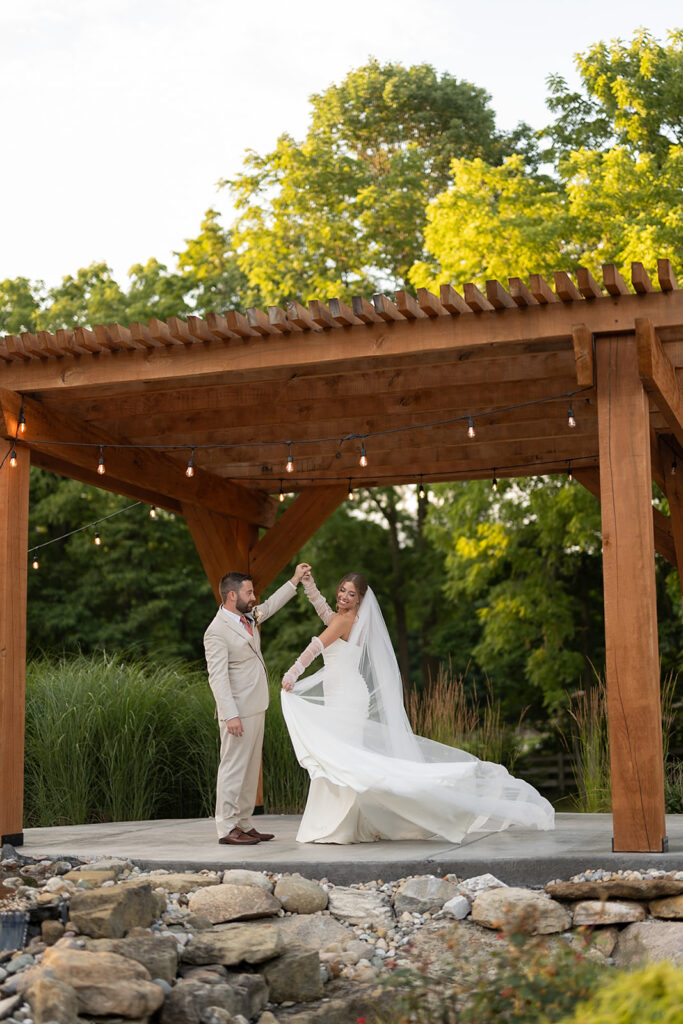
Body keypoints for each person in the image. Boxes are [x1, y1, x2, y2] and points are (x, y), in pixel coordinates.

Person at [281, 571, 555, 844]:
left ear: (360, 599)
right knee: (344, 759)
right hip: (345, 694)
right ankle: (345, 825)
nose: (344, 596)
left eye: (351, 594)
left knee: (342, 759)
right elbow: (326, 614)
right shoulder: (348, 620)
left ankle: (337, 826)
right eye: (342, 590)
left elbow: (317, 645)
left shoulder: (344, 622)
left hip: (346, 697)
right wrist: (310, 585)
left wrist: (293, 672)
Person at [204, 564, 309, 845]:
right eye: (248, 593)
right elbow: (218, 678)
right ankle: (226, 828)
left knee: (250, 770)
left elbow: (271, 605)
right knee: (233, 768)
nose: (253, 597)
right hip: (236, 711)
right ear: (231, 596)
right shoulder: (216, 631)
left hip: (256, 705)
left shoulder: (248, 616)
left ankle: (244, 822)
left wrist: (295, 580)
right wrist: (230, 715)